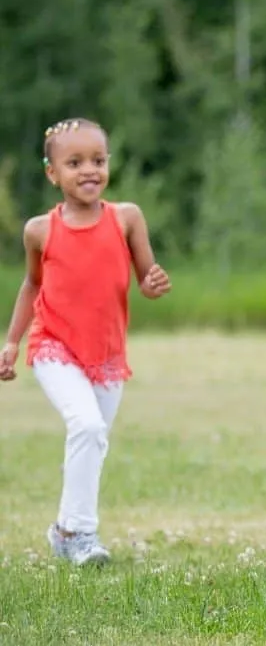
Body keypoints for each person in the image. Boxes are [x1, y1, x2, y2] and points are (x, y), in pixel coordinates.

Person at [0, 118, 171, 566]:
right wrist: (11, 342)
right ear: (52, 173)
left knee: (94, 441)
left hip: (108, 354)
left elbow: (146, 281)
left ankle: (62, 530)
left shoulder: (127, 218)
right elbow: (32, 286)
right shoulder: (40, 230)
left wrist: (154, 283)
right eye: (74, 163)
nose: (89, 170)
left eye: (97, 160)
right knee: (88, 427)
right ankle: (81, 536)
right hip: (53, 344)